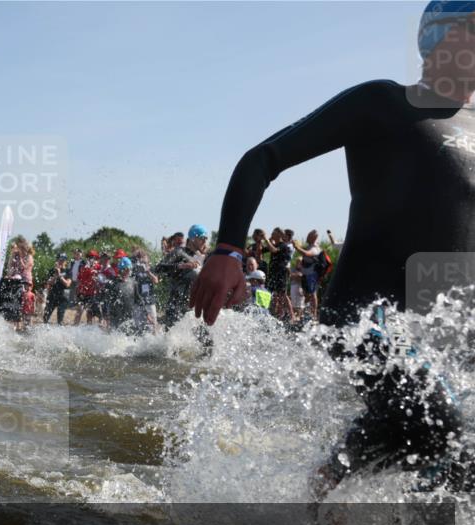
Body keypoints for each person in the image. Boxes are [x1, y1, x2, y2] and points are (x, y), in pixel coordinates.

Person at [190, 1, 475, 495]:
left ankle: (328, 493)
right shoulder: (386, 103)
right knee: (447, 424)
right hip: (367, 313)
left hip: (444, 326)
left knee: (452, 452)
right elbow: (264, 158)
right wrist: (228, 250)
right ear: (441, 38)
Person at [155, 224, 208, 330]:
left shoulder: (202, 258)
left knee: (207, 343)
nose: (205, 241)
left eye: (206, 238)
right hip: (176, 307)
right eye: (202, 238)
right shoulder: (179, 252)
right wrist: (181, 266)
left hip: (193, 309)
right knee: (170, 344)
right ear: (193, 238)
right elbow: (158, 268)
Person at [132, 249, 160, 333]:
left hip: (150, 301)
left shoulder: (152, 268)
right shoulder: (134, 269)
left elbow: (156, 281)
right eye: (139, 257)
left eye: (143, 257)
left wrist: (147, 272)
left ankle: (155, 341)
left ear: (148, 258)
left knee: (153, 324)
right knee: (139, 326)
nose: (142, 259)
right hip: (138, 301)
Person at [106, 257, 137, 331]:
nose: (129, 271)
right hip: (116, 317)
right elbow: (108, 300)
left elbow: (139, 299)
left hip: (130, 317)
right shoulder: (113, 283)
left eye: (129, 269)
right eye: (127, 269)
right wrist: (107, 316)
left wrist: (147, 314)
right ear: (121, 270)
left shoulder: (133, 283)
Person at [43, 253, 73, 324]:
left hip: (64, 295)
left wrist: (60, 275)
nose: (61, 261)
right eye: (60, 260)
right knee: (46, 316)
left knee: (60, 315)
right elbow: (49, 283)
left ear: (66, 261)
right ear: (57, 260)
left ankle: (60, 332)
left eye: (63, 260)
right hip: (53, 294)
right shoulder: (52, 271)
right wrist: (56, 275)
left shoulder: (68, 271)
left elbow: (67, 284)